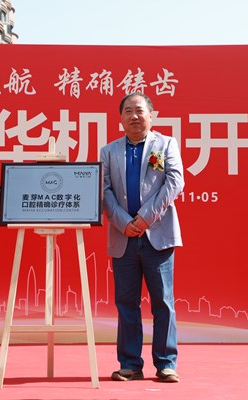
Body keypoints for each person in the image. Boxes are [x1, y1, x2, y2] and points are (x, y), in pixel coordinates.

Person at [100, 92, 184, 383]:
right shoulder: (109, 151)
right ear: (121, 118)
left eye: (139, 110)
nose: (134, 116)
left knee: (163, 302)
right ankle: (130, 364)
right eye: (128, 111)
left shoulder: (166, 144)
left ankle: (166, 363)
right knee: (126, 303)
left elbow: (175, 182)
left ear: (151, 115)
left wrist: (145, 218)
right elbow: (104, 190)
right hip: (123, 236)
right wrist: (124, 222)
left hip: (157, 235)